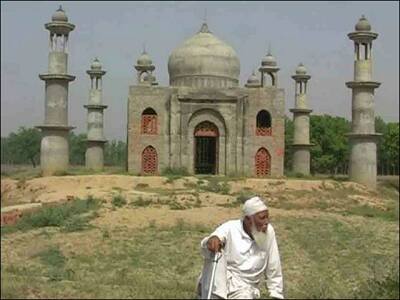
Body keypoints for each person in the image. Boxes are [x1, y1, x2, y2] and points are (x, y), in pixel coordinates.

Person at [197, 196, 283, 299]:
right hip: (221, 282)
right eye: (262, 218)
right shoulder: (230, 228)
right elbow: (211, 240)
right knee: (216, 252)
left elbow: (274, 265)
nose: (266, 222)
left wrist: (276, 294)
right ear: (248, 219)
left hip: (245, 288)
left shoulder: (268, 232)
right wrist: (212, 240)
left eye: (267, 217)